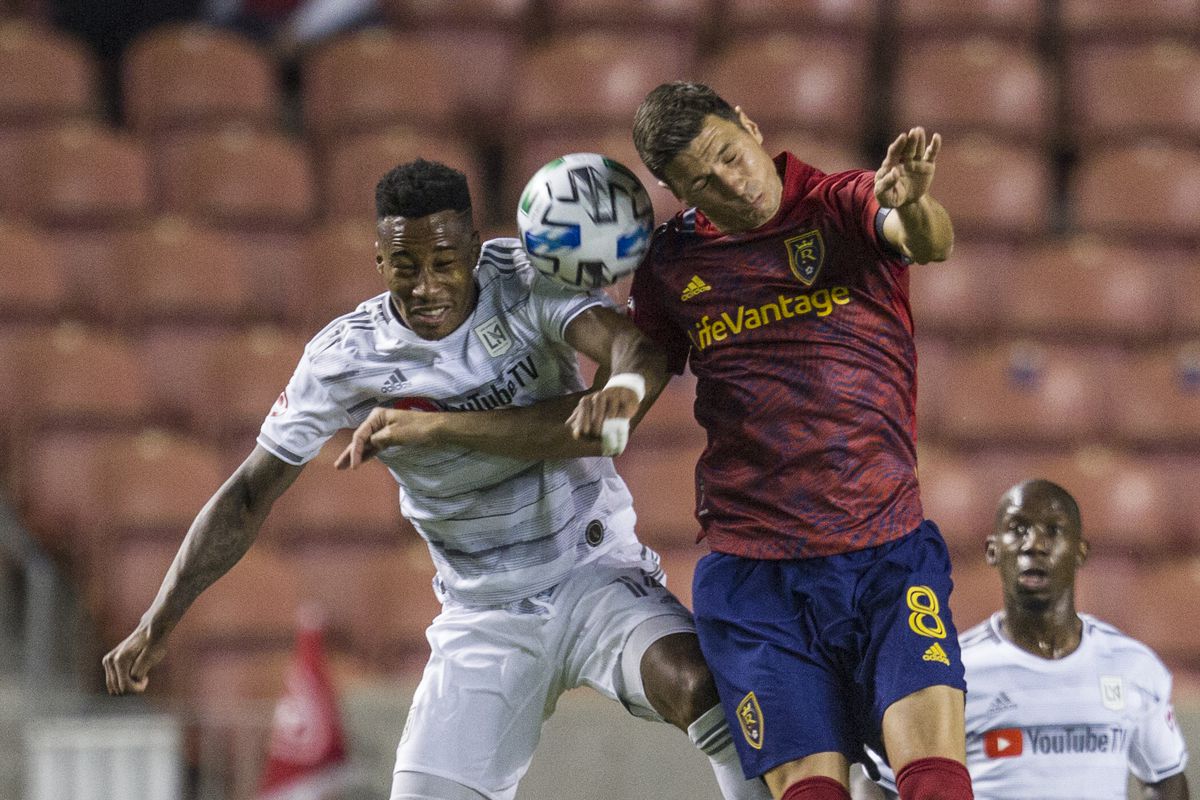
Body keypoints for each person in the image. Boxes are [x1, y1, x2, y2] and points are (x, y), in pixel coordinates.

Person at [103, 159, 771, 800]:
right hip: (482, 616)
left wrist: (618, 389)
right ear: (378, 260)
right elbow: (249, 495)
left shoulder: (528, 274)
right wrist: (159, 619)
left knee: (700, 687)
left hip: (594, 572)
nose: (425, 286)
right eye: (404, 267)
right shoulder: (345, 357)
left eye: (445, 263)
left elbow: (630, 349)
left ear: (476, 249)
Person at [619, 81, 971, 800]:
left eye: (728, 153)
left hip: (885, 557)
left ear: (748, 124)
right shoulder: (671, 265)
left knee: (936, 784)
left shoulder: (840, 205)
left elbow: (926, 241)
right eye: (699, 179)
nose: (728, 180)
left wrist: (911, 203)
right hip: (758, 579)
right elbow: (632, 384)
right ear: (673, 189)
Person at [864, 479, 1190, 799]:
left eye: (1054, 530)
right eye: (1018, 529)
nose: (1034, 544)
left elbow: (1165, 779)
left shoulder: (1133, 666)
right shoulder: (952, 671)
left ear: (1080, 552)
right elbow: (878, 780)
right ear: (993, 550)